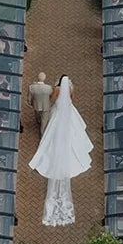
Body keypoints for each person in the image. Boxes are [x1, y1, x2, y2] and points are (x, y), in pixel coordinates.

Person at [29, 75, 92, 226]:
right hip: (68, 111)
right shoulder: (71, 89)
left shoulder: (56, 89)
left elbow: (53, 99)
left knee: (52, 133)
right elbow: (72, 98)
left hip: (59, 111)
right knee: (72, 133)